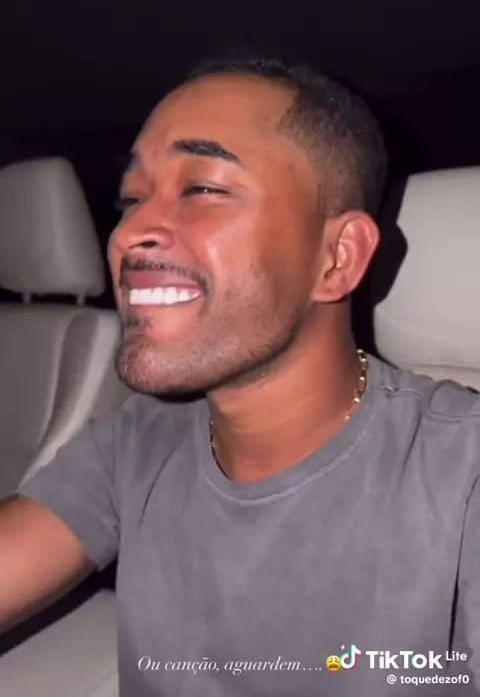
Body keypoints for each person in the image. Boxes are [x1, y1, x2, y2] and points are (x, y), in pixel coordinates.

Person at [0, 55, 479, 697]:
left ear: (336, 258)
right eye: (131, 199)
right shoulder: (138, 442)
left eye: (203, 189)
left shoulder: (460, 473)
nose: (128, 233)